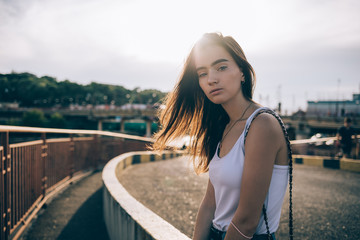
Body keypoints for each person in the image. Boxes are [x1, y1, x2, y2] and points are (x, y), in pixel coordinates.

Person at [153, 33, 293, 240]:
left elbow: (247, 221)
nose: (211, 79)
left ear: (243, 73)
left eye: (221, 67)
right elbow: (210, 202)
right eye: (202, 73)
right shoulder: (223, 126)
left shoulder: (262, 125)